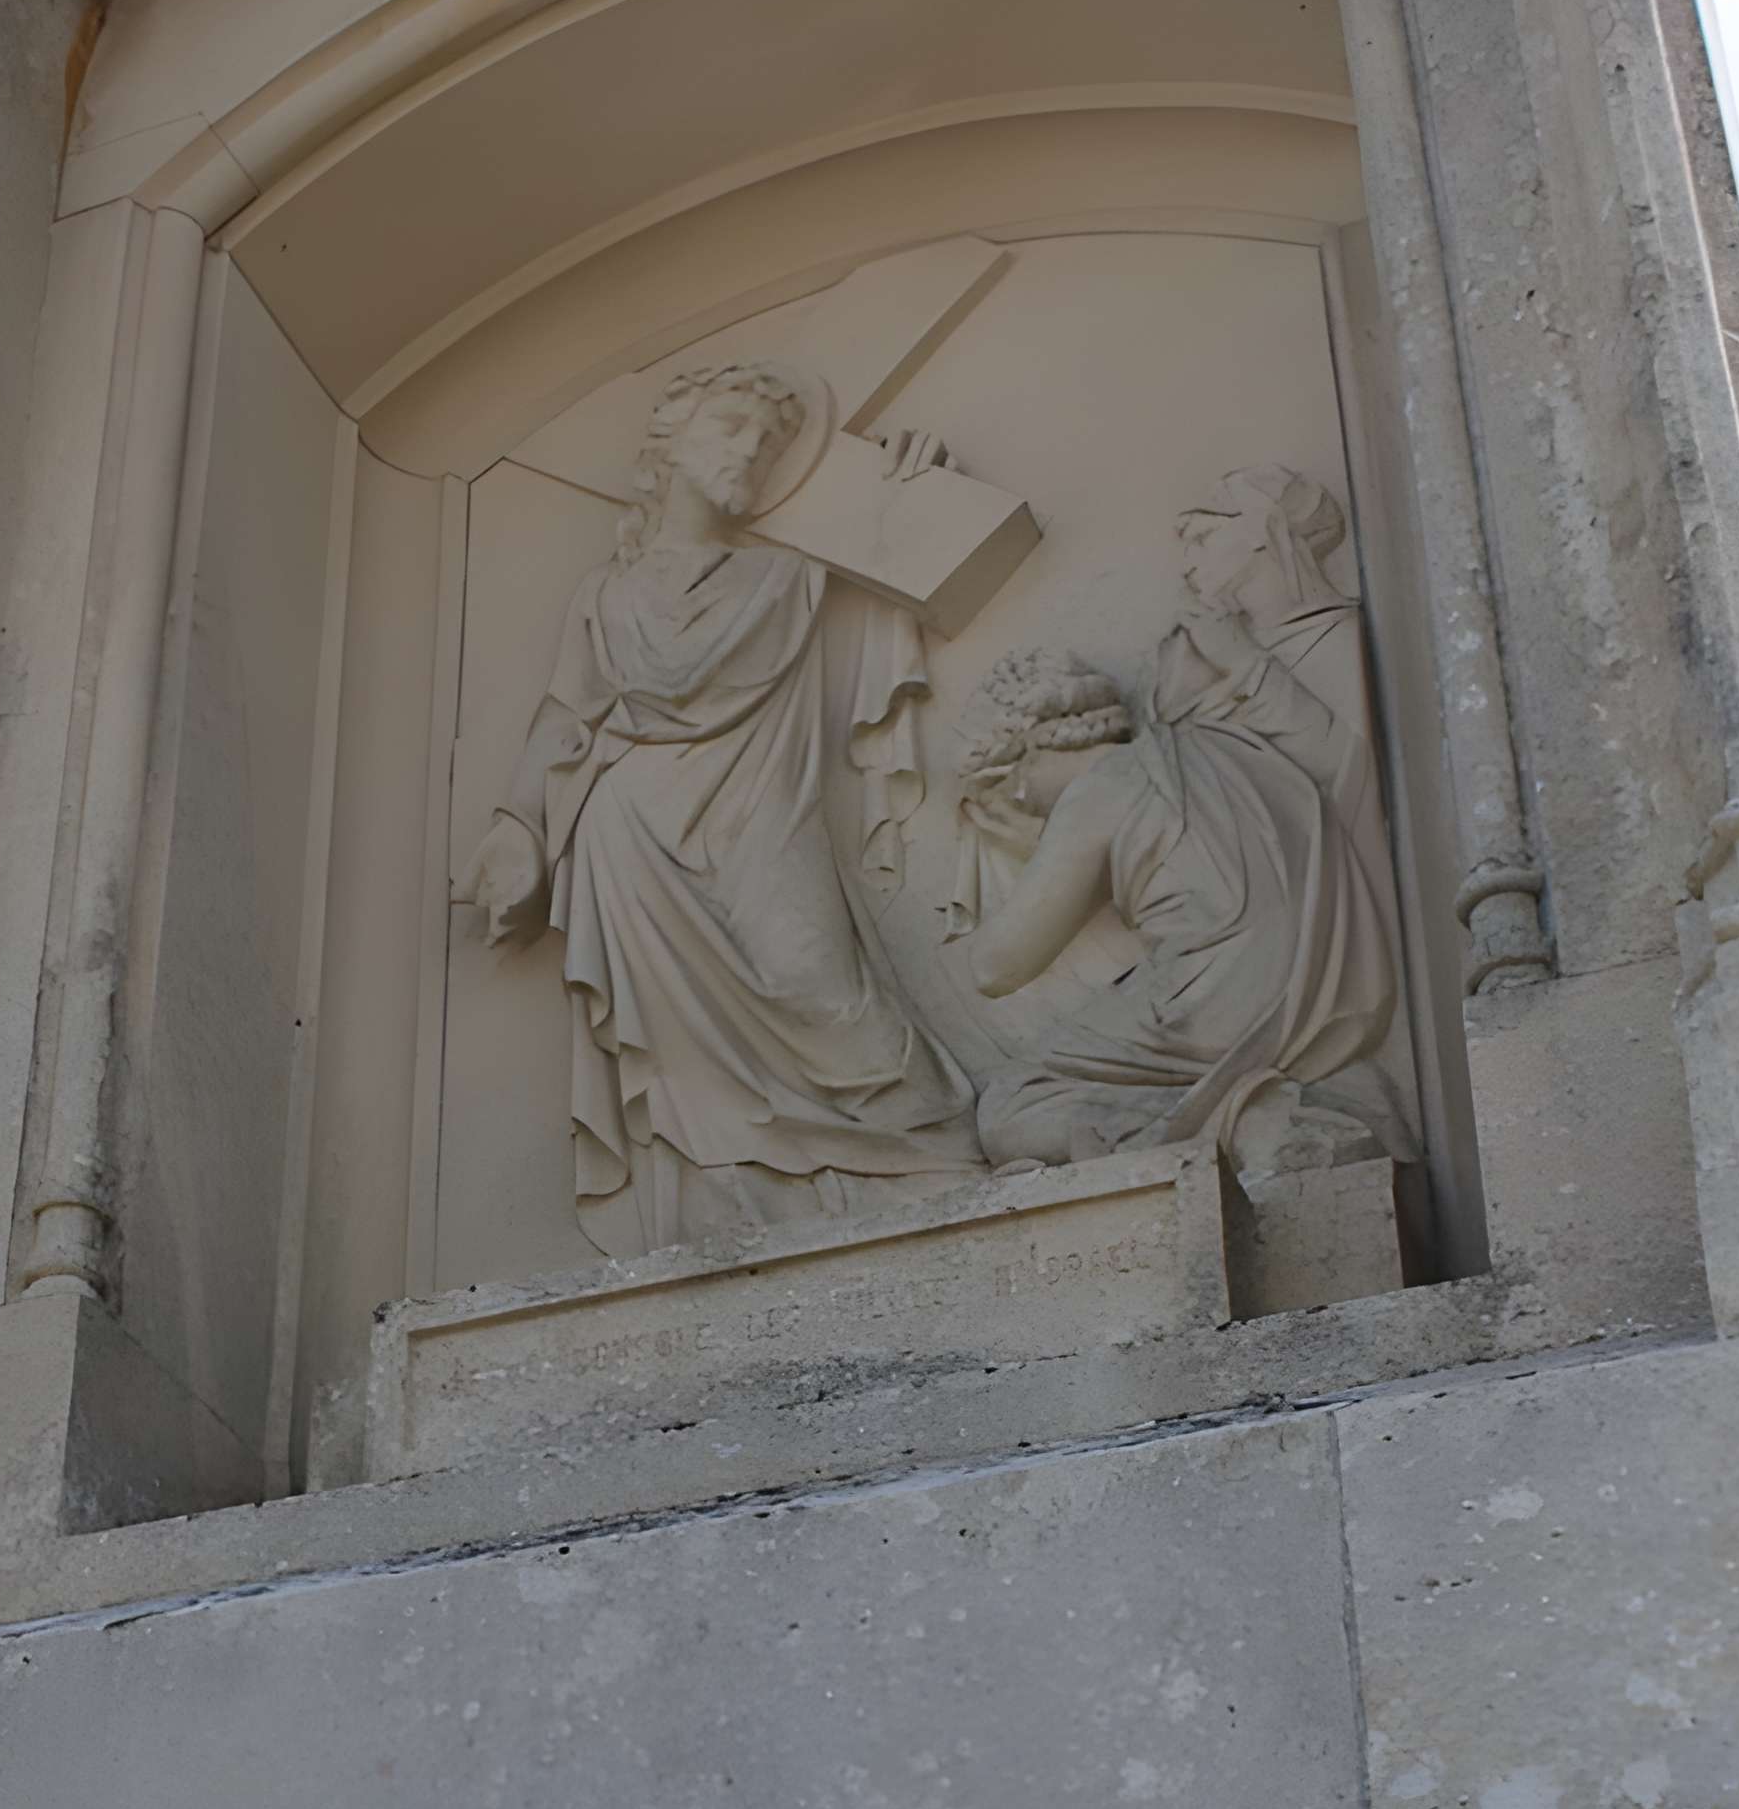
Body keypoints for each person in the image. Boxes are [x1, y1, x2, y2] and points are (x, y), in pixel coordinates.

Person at [466, 361, 984, 1257]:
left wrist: (910, 487)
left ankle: (931, 1161)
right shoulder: (606, 593)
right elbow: (566, 713)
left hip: (760, 811)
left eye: (770, 442)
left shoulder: (792, 573)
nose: (752, 451)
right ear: (669, 445)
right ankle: (730, 1213)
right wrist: (519, 828)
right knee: (683, 1053)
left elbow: (905, 564)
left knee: (817, 984)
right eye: (732, 427)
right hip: (631, 834)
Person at [949, 613, 1407, 1175]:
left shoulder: (1101, 787)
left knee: (1014, 1105)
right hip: (1314, 977)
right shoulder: (1209, 743)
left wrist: (1018, 839)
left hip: (1212, 992)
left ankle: (1246, 1123)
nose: (1015, 802)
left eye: (997, 787)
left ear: (1026, 754)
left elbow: (996, 966)